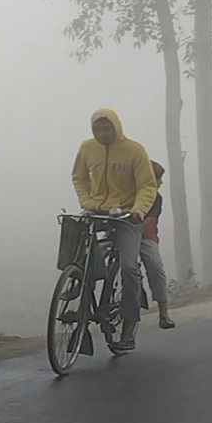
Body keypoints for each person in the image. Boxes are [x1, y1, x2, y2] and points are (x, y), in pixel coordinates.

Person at [72, 108, 158, 351]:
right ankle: (74, 283)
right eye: (97, 129)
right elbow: (79, 177)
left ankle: (129, 326)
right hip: (95, 210)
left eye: (106, 128)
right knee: (75, 247)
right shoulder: (87, 148)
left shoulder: (134, 150)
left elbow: (147, 185)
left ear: (116, 127)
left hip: (127, 215)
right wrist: (87, 201)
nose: (102, 133)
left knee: (129, 267)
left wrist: (138, 211)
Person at [141, 161, 176, 330]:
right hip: (118, 233)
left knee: (155, 266)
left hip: (145, 237)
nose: (160, 182)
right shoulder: (122, 193)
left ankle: (164, 312)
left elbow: (150, 222)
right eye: (158, 178)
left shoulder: (156, 198)